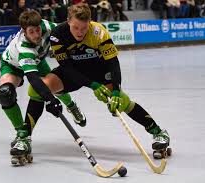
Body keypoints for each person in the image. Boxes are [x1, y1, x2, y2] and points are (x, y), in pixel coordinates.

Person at [37, 3, 170, 157]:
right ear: (68, 21)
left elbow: (113, 63)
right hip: (73, 72)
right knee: (41, 88)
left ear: (90, 22)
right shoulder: (57, 34)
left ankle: (158, 132)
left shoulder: (98, 32)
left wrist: (114, 90)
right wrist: (92, 85)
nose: (80, 33)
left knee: (122, 101)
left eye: (84, 28)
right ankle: (25, 136)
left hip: (100, 71)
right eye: (76, 28)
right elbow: (66, 68)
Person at [0, 10, 86, 164]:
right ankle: (23, 136)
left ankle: (71, 106)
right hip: (13, 66)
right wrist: (50, 100)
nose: (37, 35)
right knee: (5, 93)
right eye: (31, 32)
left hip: (38, 61)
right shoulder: (23, 48)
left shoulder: (46, 26)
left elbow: (67, 29)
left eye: (38, 30)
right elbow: (33, 80)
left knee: (55, 83)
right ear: (24, 32)